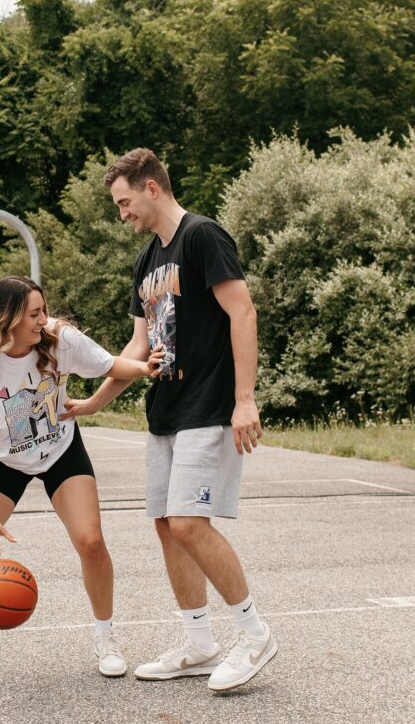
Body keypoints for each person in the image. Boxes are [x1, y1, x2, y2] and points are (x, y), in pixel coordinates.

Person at [61, 148, 276, 693]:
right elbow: (137, 347)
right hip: (166, 413)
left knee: (187, 522)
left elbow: (242, 311)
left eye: (124, 202)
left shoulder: (203, 237)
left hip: (208, 406)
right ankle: (198, 641)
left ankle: (253, 634)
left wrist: (244, 399)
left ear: (152, 188)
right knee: (166, 525)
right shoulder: (145, 263)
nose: (122, 214)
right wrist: (94, 404)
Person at [0, 275, 163, 681]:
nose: (44, 319)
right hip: (4, 462)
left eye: (44, 310)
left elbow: (109, 364)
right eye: (34, 313)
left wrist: (145, 367)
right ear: (8, 319)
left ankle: (106, 637)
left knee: (91, 542)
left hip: (60, 450)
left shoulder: (60, 341)